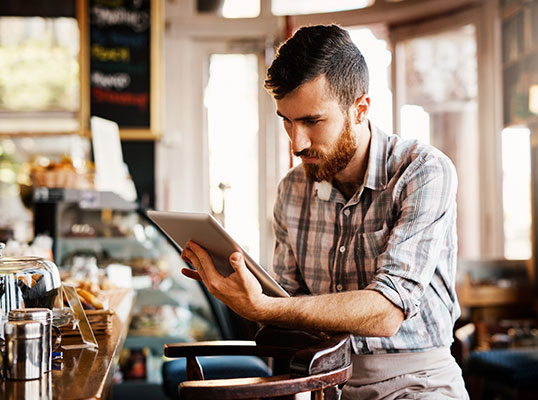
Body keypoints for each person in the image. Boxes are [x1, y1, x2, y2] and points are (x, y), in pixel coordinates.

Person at [181, 24, 468, 399]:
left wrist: (266, 307)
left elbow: (386, 313)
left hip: (418, 382)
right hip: (325, 384)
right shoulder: (291, 190)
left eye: (312, 121)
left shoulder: (422, 172)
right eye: (286, 120)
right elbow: (287, 310)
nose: (297, 143)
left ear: (360, 109)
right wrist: (241, 295)